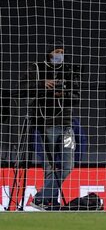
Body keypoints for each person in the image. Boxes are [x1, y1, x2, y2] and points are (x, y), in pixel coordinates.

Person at [17, 39, 80, 210]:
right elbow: (21, 88)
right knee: (49, 166)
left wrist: (63, 94)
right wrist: (42, 85)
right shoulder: (36, 68)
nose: (59, 55)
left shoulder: (69, 71)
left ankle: (40, 198)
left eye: (62, 51)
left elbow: (77, 97)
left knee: (68, 165)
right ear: (49, 52)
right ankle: (49, 201)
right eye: (56, 51)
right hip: (46, 125)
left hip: (67, 126)